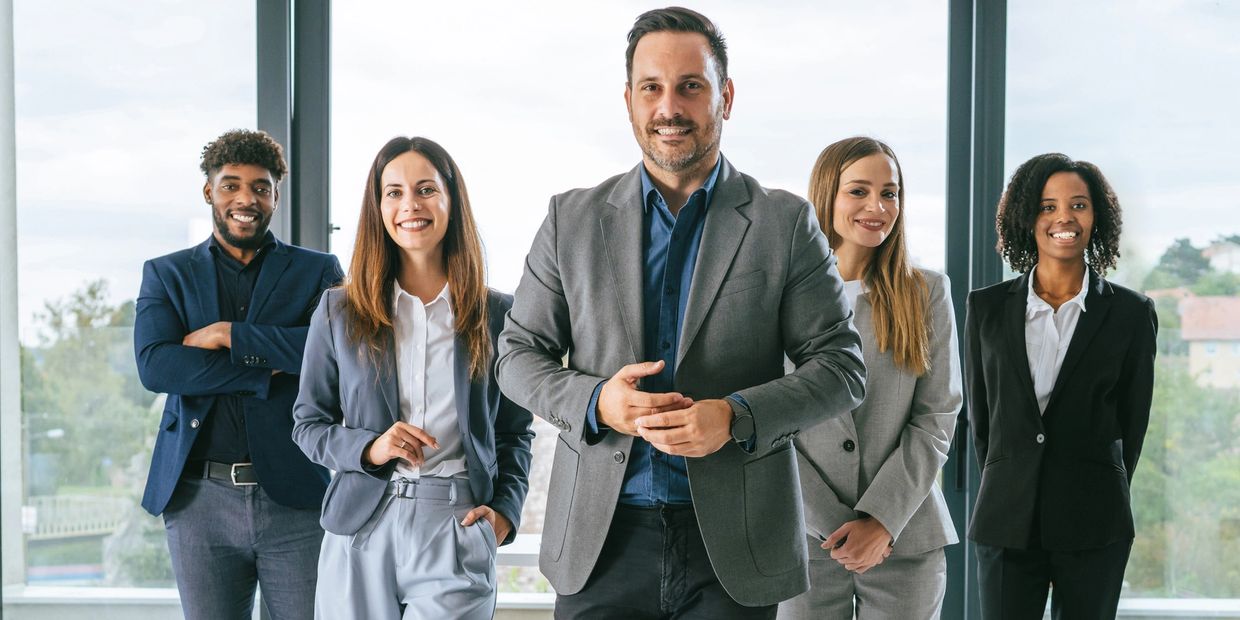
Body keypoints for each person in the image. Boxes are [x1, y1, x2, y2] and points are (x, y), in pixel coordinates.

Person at [496, 7, 866, 618]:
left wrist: (736, 415)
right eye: (652, 88)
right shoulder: (571, 219)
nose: (670, 107)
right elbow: (515, 356)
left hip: (734, 546)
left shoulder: (784, 223)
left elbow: (842, 368)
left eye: (690, 86)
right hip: (600, 542)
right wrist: (597, 402)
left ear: (724, 95)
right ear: (629, 101)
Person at [292, 136, 534, 620]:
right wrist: (371, 448)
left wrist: (505, 511)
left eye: (425, 189)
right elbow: (308, 425)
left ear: (451, 201)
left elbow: (514, 432)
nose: (410, 205)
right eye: (394, 192)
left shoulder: (498, 314)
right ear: (378, 207)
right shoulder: (339, 310)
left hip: (456, 521)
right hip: (362, 525)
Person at [134, 129, 343, 619]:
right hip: (198, 501)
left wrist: (230, 334)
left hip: (296, 498)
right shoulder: (167, 274)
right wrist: (264, 369)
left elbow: (332, 354)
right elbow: (157, 365)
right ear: (210, 191)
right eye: (231, 185)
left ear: (275, 195)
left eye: (260, 187)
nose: (245, 199)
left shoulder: (317, 271)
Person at [965, 153, 1157, 619]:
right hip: (1006, 519)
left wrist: (1098, 484)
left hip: (1096, 519)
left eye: (1078, 205)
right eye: (1047, 206)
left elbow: (1133, 425)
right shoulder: (986, 309)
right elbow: (983, 422)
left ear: (1098, 217)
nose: (1063, 218)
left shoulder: (1131, 314)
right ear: (1026, 217)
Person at [778, 137, 961, 619]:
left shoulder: (928, 293)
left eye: (891, 193)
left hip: (905, 537)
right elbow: (762, 425)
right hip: (800, 537)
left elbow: (938, 416)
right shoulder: (776, 297)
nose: (877, 207)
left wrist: (880, 520)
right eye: (858, 191)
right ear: (827, 196)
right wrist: (832, 524)